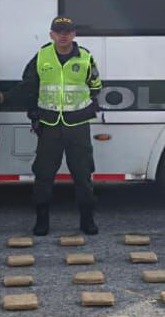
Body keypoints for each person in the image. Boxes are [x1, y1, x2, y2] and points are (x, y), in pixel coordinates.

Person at [18, 16, 102, 236]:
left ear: (74, 34)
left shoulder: (85, 58)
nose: (63, 35)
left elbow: (95, 86)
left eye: (67, 31)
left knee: (83, 174)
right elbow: (29, 86)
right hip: (49, 125)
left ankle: (87, 220)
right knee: (44, 175)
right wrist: (34, 116)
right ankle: (42, 221)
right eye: (59, 31)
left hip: (78, 125)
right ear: (51, 35)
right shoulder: (41, 56)